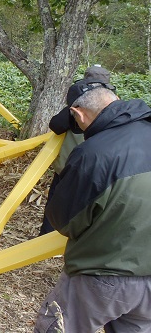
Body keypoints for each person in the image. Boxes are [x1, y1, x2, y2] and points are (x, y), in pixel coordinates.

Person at [35, 79, 151, 332]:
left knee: (60, 327)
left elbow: (64, 220)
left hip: (105, 272)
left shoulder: (93, 154)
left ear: (77, 113)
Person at [38, 65, 112, 236]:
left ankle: (46, 236)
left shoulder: (81, 102)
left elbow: (56, 125)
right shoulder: (115, 102)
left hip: (70, 163)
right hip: (101, 167)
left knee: (57, 200)